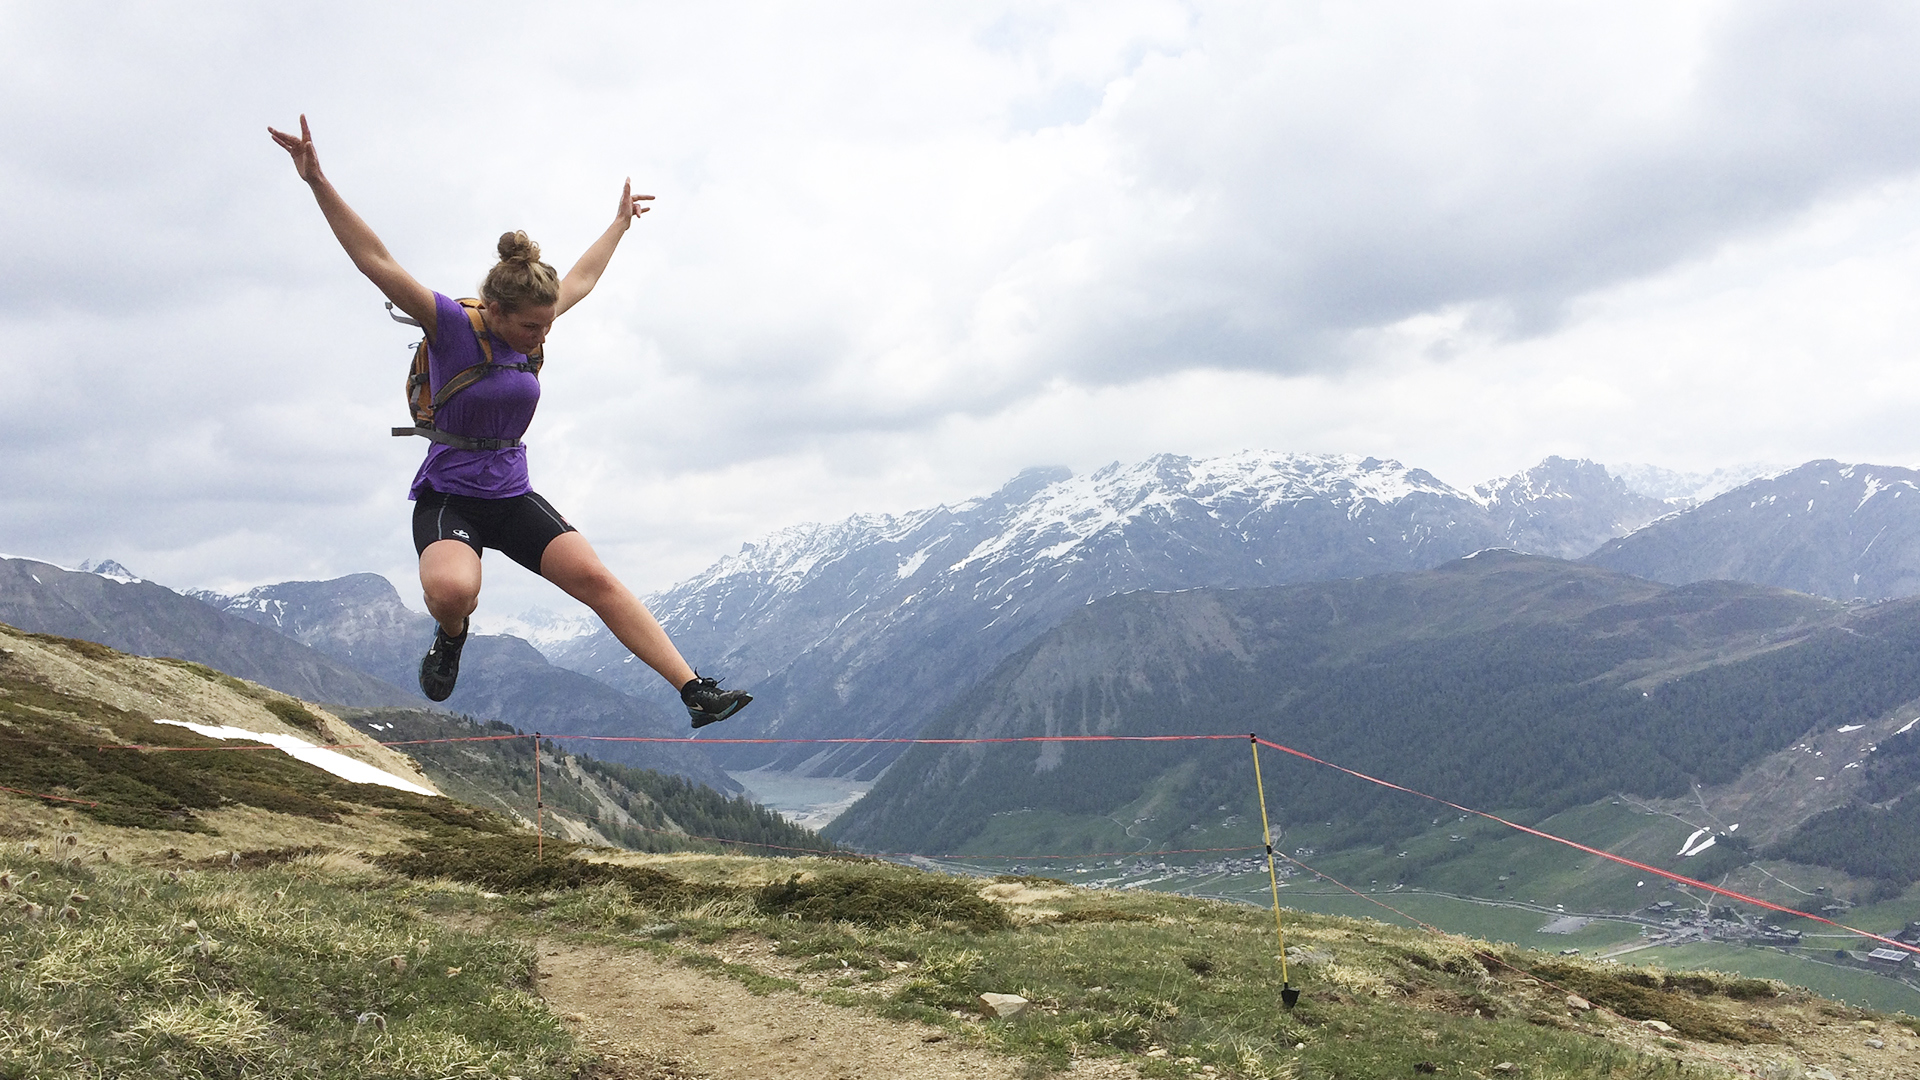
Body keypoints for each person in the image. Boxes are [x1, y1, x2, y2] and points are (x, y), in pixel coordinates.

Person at [268, 115, 749, 728]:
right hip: (450, 498)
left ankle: (693, 691)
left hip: (511, 494)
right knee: (452, 591)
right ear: (493, 310)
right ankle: (452, 635)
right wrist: (317, 180)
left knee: (597, 579)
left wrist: (620, 224)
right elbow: (374, 259)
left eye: (547, 325)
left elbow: (582, 278)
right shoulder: (448, 325)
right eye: (530, 326)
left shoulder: (535, 324)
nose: (541, 335)